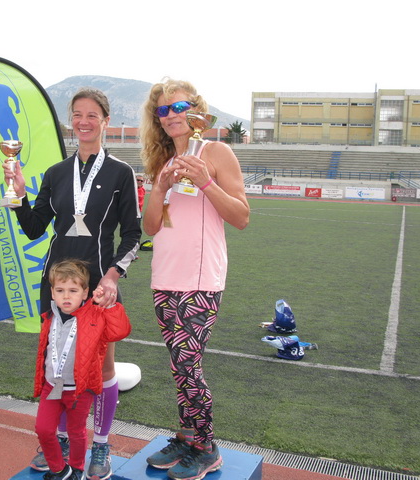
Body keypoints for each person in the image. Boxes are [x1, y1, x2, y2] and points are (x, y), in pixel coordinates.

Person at [3, 87, 141, 479]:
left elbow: (133, 235)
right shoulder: (56, 173)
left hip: (98, 287)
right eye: (77, 114)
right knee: (58, 364)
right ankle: (62, 439)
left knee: (103, 370)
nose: (83, 121)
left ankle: (102, 444)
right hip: (58, 287)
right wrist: (19, 196)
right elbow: (34, 228)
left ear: (105, 121)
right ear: (71, 121)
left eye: (92, 115)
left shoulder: (121, 173)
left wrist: (112, 276)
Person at [139, 78, 250, 480]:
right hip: (164, 275)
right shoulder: (163, 161)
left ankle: (206, 446)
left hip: (200, 278)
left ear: (196, 110)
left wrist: (204, 181)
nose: (170, 115)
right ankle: (188, 436)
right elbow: (151, 227)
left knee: (189, 366)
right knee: (179, 366)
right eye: (162, 110)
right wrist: (160, 188)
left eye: (178, 107)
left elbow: (241, 216)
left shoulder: (215, 151)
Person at [34, 259, 131, 480]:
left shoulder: (95, 316)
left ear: (85, 292)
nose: (66, 296)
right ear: (52, 293)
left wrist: (109, 307)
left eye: (73, 290)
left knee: (76, 432)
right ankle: (60, 469)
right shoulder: (49, 317)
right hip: (52, 387)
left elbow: (120, 331)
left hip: (79, 390)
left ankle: (76, 469)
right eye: (60, 290)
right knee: (43, 429)